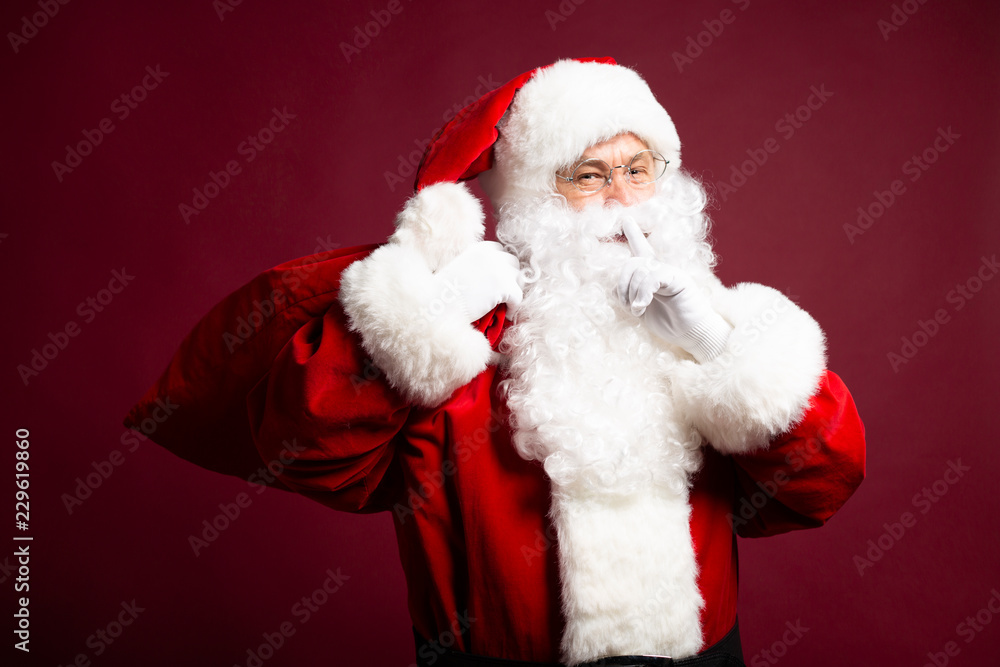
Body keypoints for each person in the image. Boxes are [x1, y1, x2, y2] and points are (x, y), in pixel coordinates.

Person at [135, 58, 865, 667]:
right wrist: (425, 317)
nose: (621, 199)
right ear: (531, 201)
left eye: (639, 169)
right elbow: (307, 454)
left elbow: (820, 486)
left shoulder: (715, 325)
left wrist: (717, 347)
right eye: (588, 175)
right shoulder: (462, 345)